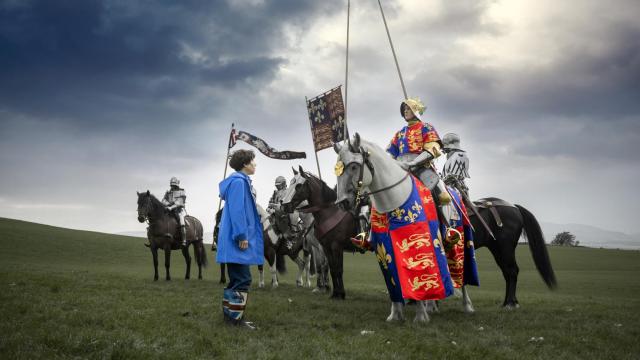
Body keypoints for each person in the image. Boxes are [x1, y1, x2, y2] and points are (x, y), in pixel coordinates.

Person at [216, 149, 264, 330]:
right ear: (245, 164)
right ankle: (236, 320)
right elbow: (238, 211)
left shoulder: (240, 182)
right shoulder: (238, 183)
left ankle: (230, 318)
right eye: (253, 161)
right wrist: (241, 236)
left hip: (234, 239)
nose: (255, 164)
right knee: (243, 279)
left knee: (236, 279)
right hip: (237, 239)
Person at [161, 177, 188, 247]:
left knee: (182, 223)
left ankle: (184, 240)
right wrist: (168, 204)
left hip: (179, 210)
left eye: (174, 185)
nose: (172, 186)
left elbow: (180, 202)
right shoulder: (168, 192)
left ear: (177, 185)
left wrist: (171, 207)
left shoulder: (182, 191)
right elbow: (163, 200)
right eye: (172, 185)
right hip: (169, 210)